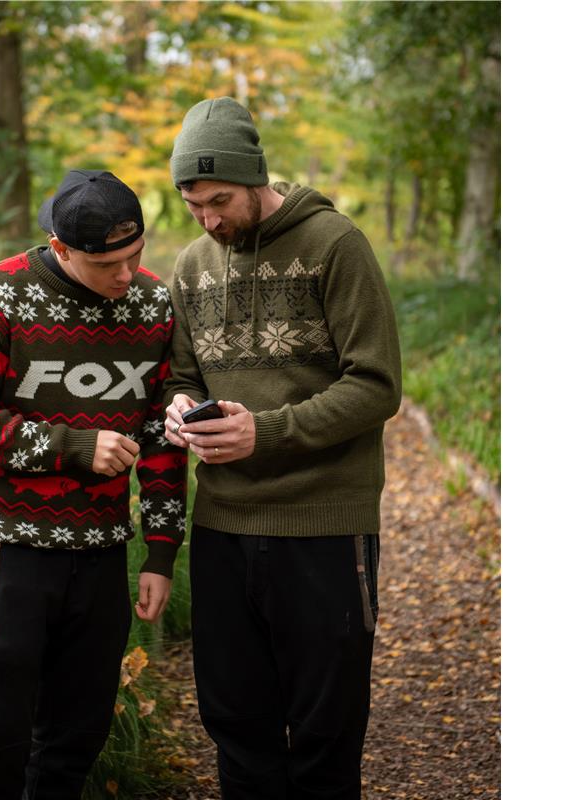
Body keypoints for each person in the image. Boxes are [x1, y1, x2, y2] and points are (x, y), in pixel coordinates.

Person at [163, 97, 402, 799]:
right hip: (223, 527)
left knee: (326, 733)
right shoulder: (191, 266)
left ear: (256, 176)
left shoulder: (335, 244)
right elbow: (182, 374)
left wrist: (264, 432)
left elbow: (377, 385)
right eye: (193, 204)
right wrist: (179, 407)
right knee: (237, 726)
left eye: (220, 201)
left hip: (323, 524)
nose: (209, 219)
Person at [0, 168, 187, 800]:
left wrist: (161, 552)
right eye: (107, 265)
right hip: (5, 544)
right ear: (61, 249)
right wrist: (72, 446)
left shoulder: (153, 304)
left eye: (135, 256)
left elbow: (160, 437)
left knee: (75, 742)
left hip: (100, 553)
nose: (125, 275)